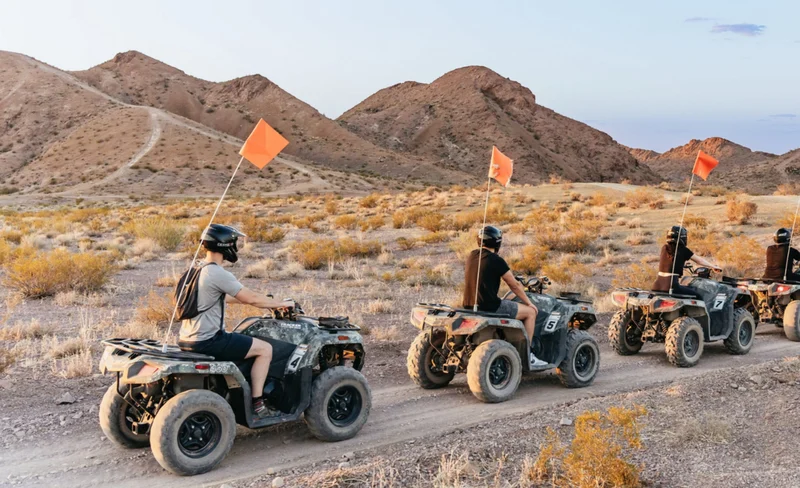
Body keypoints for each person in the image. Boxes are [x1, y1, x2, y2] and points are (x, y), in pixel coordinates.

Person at [178, 224, 294, 417]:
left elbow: (227, 297)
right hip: (209, 340)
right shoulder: (217, 272)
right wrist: (281, 303)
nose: (237, 247)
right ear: (226, 245)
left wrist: (267, 301)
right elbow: (250, 298)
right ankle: (258, 402)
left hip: (187, 339)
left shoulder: (196, 269)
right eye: (235, 242)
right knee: (265, 349)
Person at [462, 225, 547, 367]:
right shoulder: (496, 260)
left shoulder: (472, 255)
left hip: (469, 305)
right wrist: (529, 303)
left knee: (505, 300)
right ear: (497, 242)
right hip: (489, 307)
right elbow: (514, 285)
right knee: (530, 313)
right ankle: (529, 354)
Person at [652, 226, 721, 297]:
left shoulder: (664, 248)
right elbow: (699, 261)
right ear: (682, 237)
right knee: (698, 295)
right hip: (671, 286)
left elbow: (670, 262)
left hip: (656, 286)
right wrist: (713, 266)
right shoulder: (683, 250)